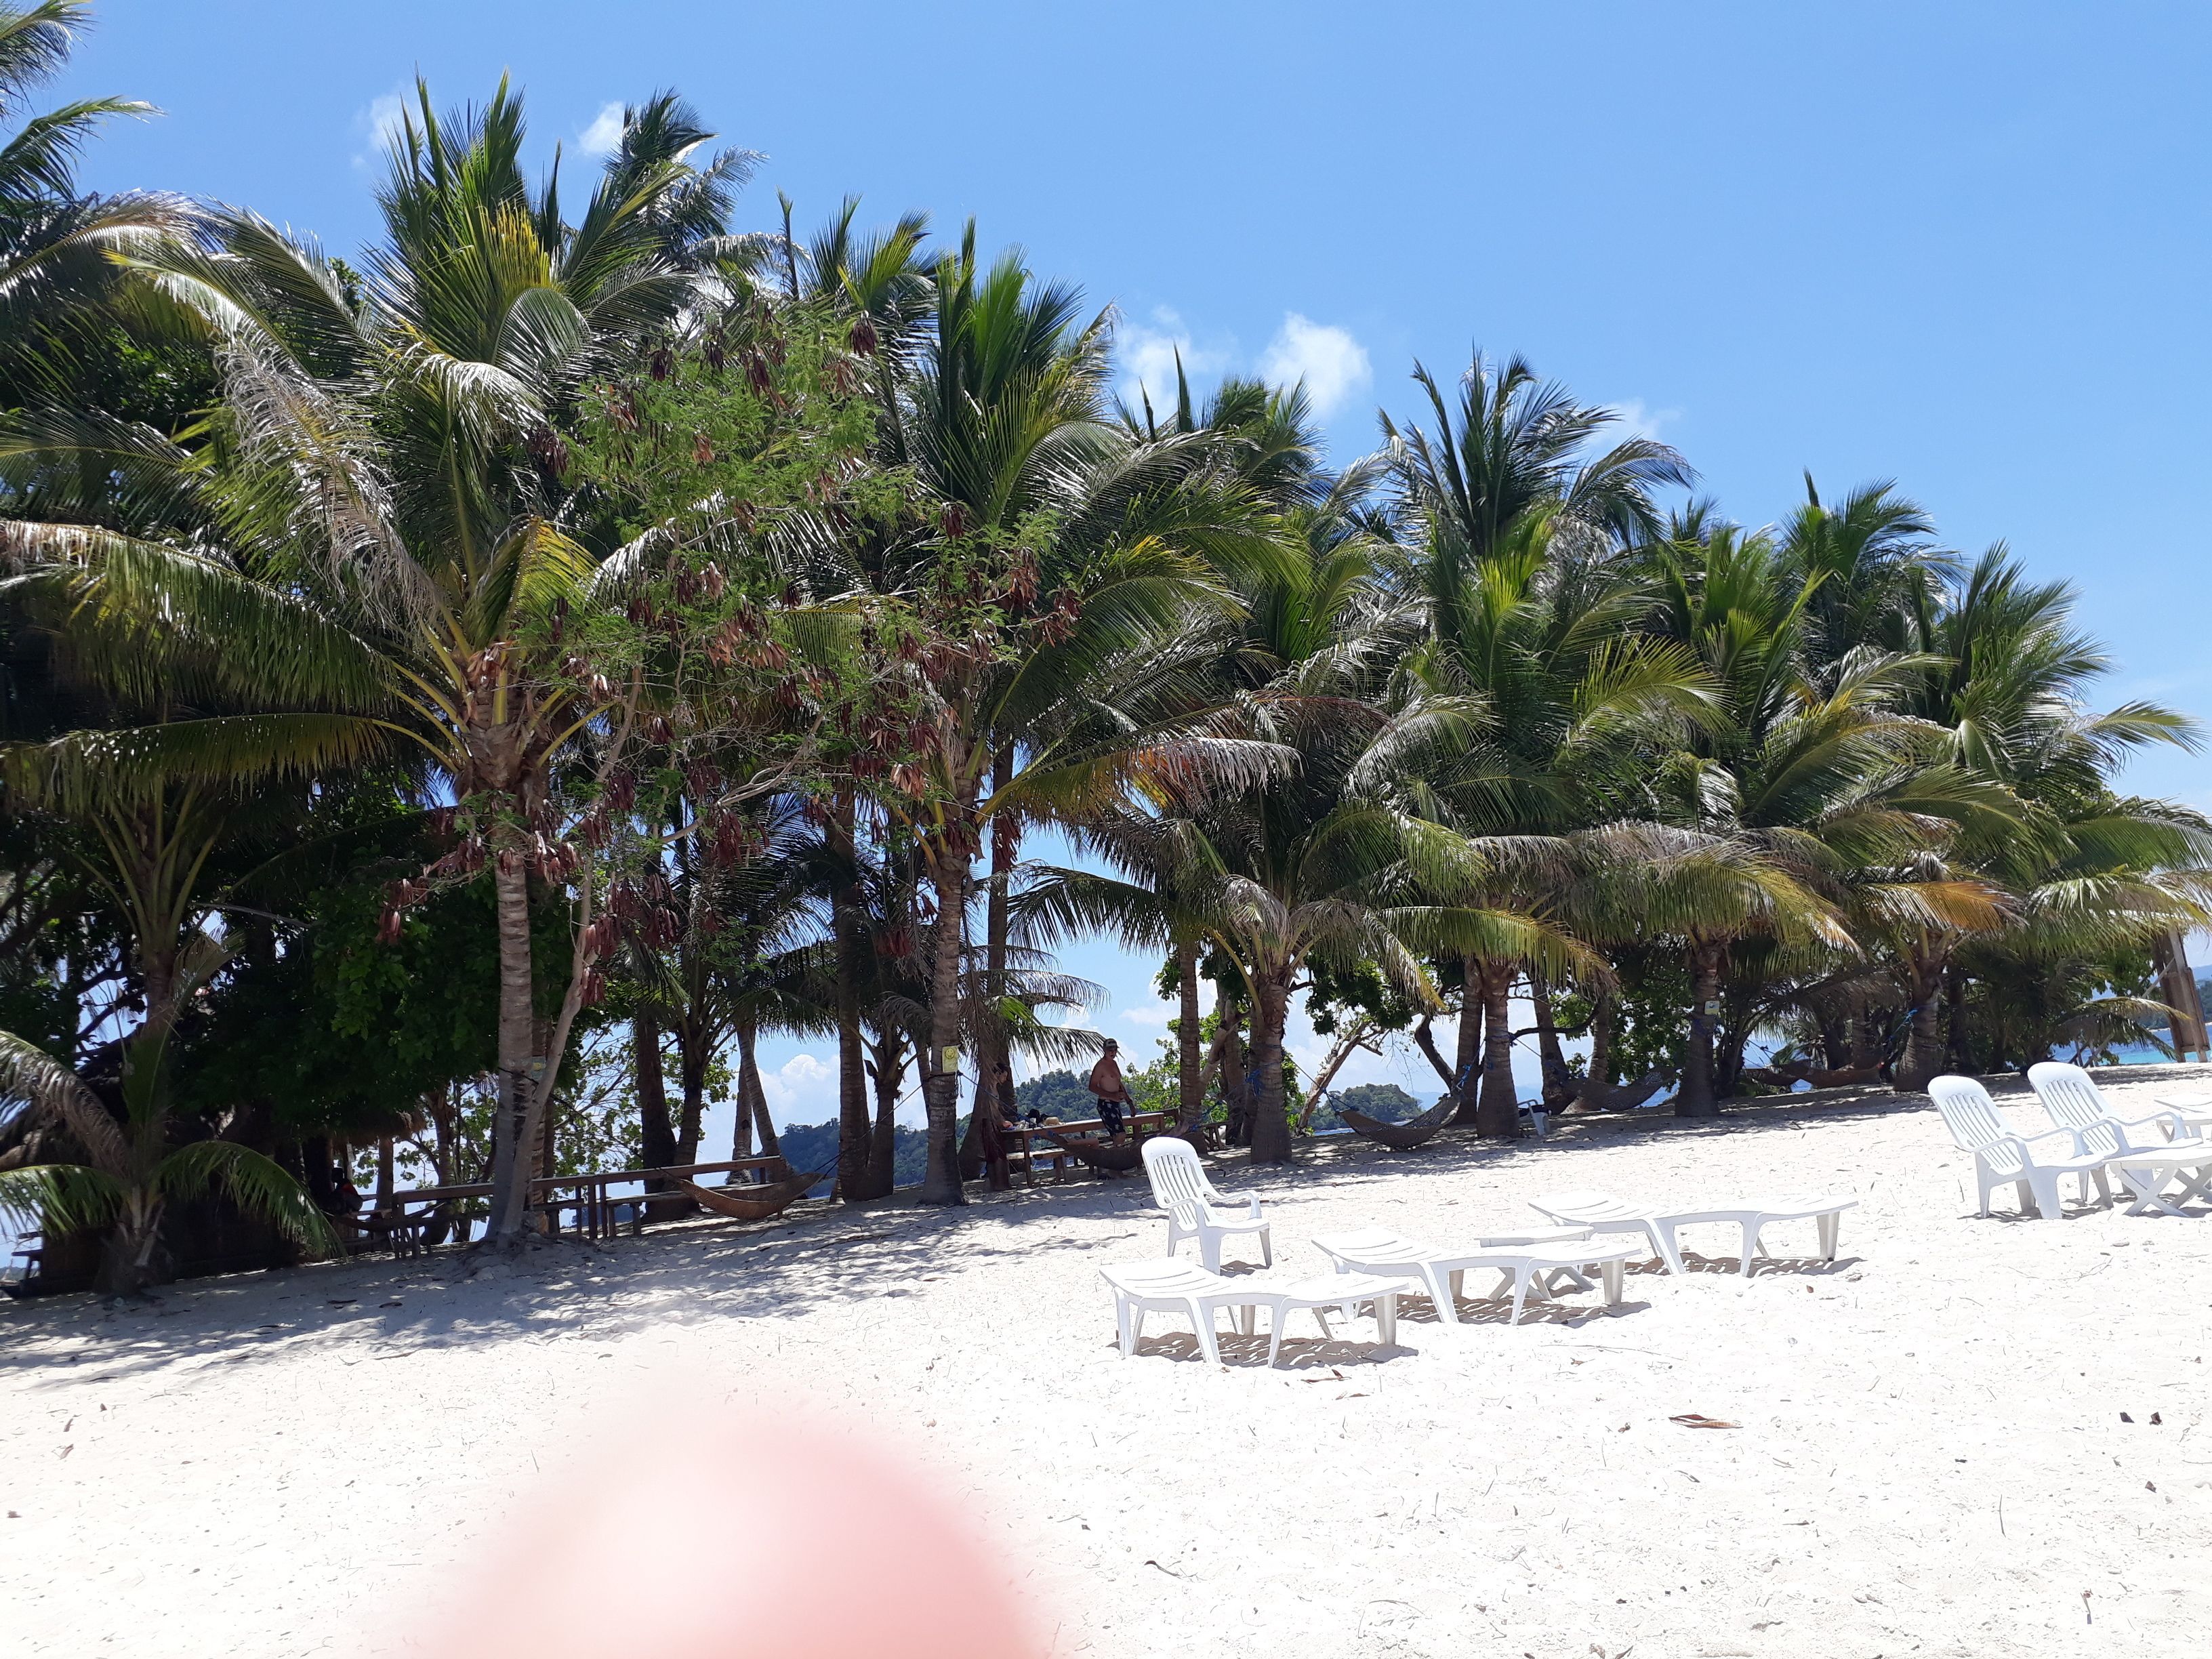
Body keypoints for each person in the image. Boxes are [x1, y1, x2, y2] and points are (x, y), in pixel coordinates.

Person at [1088, 1039, 1132, 1139]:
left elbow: (1119, 1083)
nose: (1113, 1052)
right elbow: (1092, 1086)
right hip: (1106, 1103)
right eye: (1110, 1050)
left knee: (1118, 1135)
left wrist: (1129, 1102)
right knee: (1120, 1134)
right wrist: (1111, 1096)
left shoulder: (1114, 1064)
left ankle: (1116, 1148)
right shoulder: (1100, 1066)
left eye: (1115, 1050)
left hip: (1116, 1103)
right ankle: (1116, 1149)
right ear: (1104, 1050)